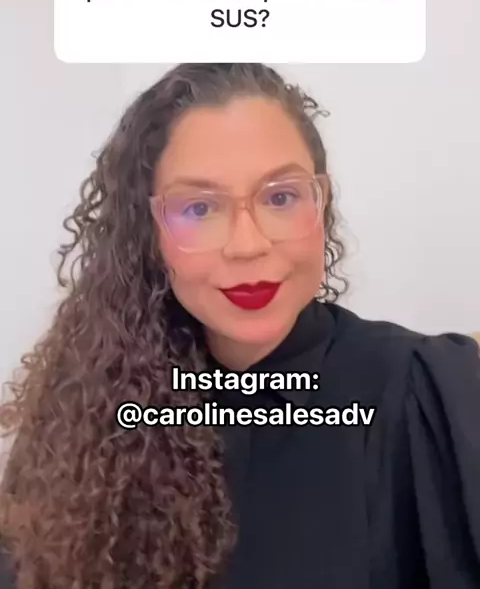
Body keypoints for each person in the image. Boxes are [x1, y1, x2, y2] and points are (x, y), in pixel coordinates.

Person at [0, 62, 479, 589]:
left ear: (321, 204)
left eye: (280, 197)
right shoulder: (85, 413)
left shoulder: (430, 391)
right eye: (199, 208)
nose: (248, 245)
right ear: (149, 234)